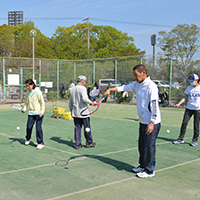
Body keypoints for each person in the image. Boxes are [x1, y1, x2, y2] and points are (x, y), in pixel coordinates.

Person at [104, 64, 161, 178]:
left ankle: (149, 170)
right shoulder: (137, 84)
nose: (135, 77)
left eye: (136, 75)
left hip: (152, 122)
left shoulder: (152, 86)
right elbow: (124, 88)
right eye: (134, 75)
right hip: (143, 121)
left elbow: (154, 105)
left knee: (149, 147)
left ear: (143, 73)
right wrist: (110, 89)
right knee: (141, 145)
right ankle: (142, 166)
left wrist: (152, 122)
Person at [69, 75, 96, 149]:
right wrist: (91, 102)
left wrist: (71, 111)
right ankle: (89, 142)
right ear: (83, 81)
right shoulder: (83, 88)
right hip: (84, 113)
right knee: (87, 128)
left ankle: (77, 144)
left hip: (75, 113)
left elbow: (70, 102)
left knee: (77, 128)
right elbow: (84, 98)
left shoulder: (72, 89)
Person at [173, 74, 200, 147]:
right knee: (184, 123)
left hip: (197, 109)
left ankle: (194, 140)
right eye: (190, 81)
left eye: (192, 81)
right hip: (189, 108)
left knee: (196, 125)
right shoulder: (189, 88)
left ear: (196, 80)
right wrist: (179, 103)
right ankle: (180, 139)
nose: (191, 83)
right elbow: (184, 97)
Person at [22, 79, 45, 149]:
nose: (27, 87)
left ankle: (40, 143)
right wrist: (24, 108)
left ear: (32, 85)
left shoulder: (38, 92)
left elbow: (42, 103)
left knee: (38, 128)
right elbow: (26, 102)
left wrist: (42, 112)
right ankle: (28, 139)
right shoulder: (27, 92)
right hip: (31, 113)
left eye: (28, 86)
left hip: (38, 113)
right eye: (26, 86)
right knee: (29, 127)